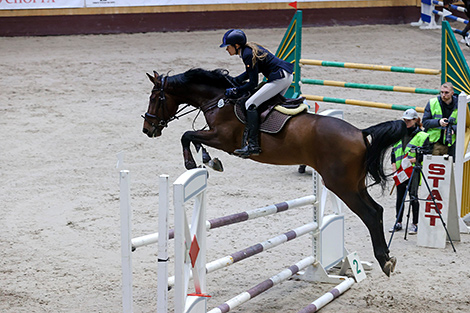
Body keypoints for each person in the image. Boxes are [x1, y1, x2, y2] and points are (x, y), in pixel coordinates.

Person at [220, 29, 294, 158]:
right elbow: (253, 72)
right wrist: (236, 80)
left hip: (279, 79)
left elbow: (253, 83)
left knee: (250, 104)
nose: (226, 50)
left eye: (228, 46)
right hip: (285, 76)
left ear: (236, 46)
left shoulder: (247, 54)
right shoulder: (248, 49)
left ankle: (253, 145)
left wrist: (236, 90)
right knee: (267, 103)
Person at [390, 109, 431, 235]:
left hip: (413, 170)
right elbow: (393, 152)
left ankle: (415, 223)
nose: (406, 123)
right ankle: (398, 221)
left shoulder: (422, 136)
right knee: (400, 196)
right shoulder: (399, 134)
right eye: (405, 120)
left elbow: (426, 153)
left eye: (409, 120)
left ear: (415, 120)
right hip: (400, 170)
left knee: (413, 196)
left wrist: (413, 160)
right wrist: (393, 167)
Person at [422, 82, 458, 158]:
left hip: (451, 144)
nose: (443, 95)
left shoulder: (460, 104)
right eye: (441, 92)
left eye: (446, 93)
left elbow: (465, 124)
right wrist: (438, 122)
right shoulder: (432, 103)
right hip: (434, 143)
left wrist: (453, 129)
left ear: (452, 93)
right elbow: (425, 122)